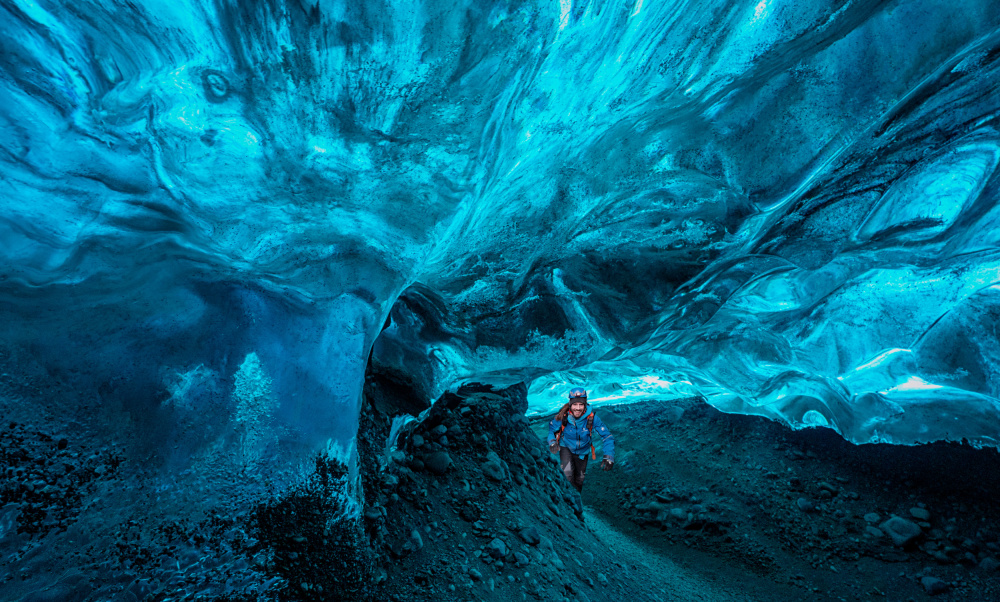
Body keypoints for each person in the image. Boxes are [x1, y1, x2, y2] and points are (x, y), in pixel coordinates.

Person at [547, 387, 615, 493]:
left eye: (581, 404)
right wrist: (552, 442)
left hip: (583, 452)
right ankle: (568, 503)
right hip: (566, 448)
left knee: (579, 481)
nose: (578, 408)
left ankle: (576, 505)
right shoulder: (563, 416)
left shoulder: (592, 418)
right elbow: (552, 429)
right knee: (568, 477)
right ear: (570, 404)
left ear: (585, 404)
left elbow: (607, 436)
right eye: (575, 404)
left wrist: (609, 456)